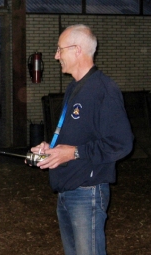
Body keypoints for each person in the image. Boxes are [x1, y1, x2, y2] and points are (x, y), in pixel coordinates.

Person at [30, 24, 134, 255]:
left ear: (77, 50)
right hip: (67, 190)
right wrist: (51, 147)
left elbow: (122, 143)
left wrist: (74, 153)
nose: (56, 56)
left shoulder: (103, 89)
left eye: (60, 50)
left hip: (87, 193)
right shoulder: (75, 88)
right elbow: (76, 136)